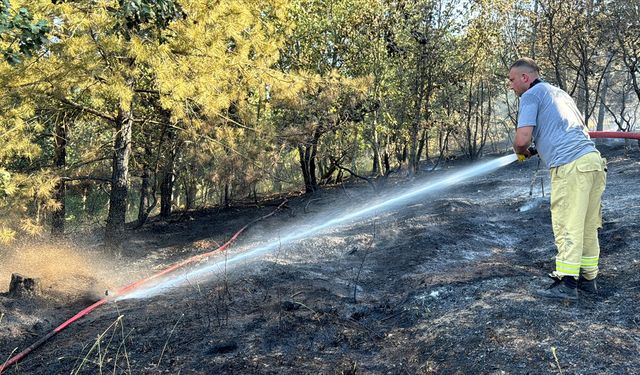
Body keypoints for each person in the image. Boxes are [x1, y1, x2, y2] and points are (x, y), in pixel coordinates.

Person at [509, 57, 607, 301]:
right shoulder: (559, 94)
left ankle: (567, 282)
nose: (510, 86)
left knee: (567, 223)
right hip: (592, 162)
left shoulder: (531, 95)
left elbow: (522, 139)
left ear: (525, 77)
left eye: (512, 80)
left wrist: (520, 151)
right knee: (587, 225)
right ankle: (588, 280)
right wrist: (535, 150)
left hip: (571, 167)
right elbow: (569, 130)